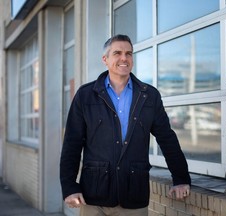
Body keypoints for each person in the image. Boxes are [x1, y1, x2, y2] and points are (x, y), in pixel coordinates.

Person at [60, 34, 191, 216]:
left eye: (129, 53)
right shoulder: (86, 95)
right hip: (94, 197)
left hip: (133, 197)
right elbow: (72, 144)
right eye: (117, 53)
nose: (124, 58)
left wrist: (181, 178)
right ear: (105, 59)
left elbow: (167, 139)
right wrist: (69, 186)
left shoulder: (149, 96)